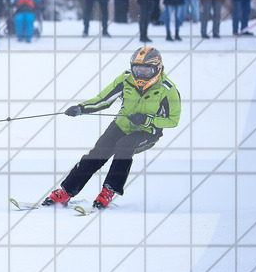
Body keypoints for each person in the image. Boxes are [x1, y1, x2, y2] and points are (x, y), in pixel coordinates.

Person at [43, 46, 181, 210]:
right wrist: (81, 108)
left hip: (147, 133)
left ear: (156, 69)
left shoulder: (168, 90)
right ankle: (66, 191)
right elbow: (104, 99)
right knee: (97, 154)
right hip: (121, 125)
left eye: (146, 70)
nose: (141, 74)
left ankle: (108, 190)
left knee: (124, 146)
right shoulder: (126, 79)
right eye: (138, 69)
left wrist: (148, 120)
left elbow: (173, 120)